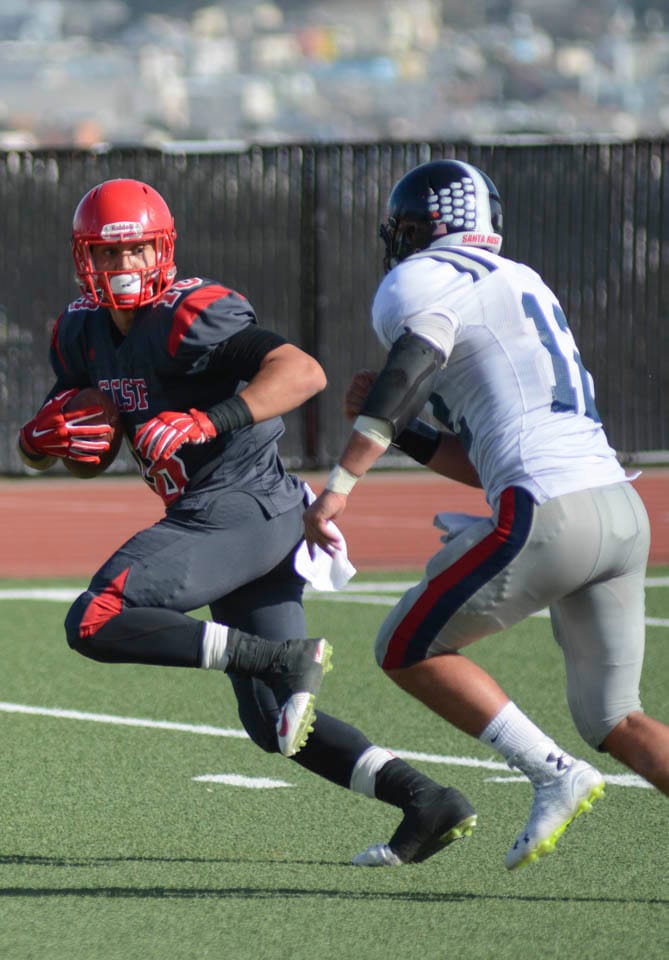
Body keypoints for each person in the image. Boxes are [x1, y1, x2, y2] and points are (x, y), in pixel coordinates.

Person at [18, 176, 476, 866]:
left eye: (137, 251)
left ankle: (284, 659)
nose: (123, 268)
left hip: (240, 508)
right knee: (273, 724)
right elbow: (81, 450)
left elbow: (302, 371)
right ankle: (426, 801)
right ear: (85, 259)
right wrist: (37, 447)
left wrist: (208, 418)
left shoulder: (188, 313)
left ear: (161, 250)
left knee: (93, 618)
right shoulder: (80, 332)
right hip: (224, 518)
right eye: (108, 256)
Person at [304, 159, 669, 870]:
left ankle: (551, 772)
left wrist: (340, 482)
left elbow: (410, 366)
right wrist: (404, 431)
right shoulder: (525, 282)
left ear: (416, 230)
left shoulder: (415, 281)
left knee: (405, 646)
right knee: (616, 721)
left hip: (551, 512)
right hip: (620, 512)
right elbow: (482, 460)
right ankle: (567, 766)